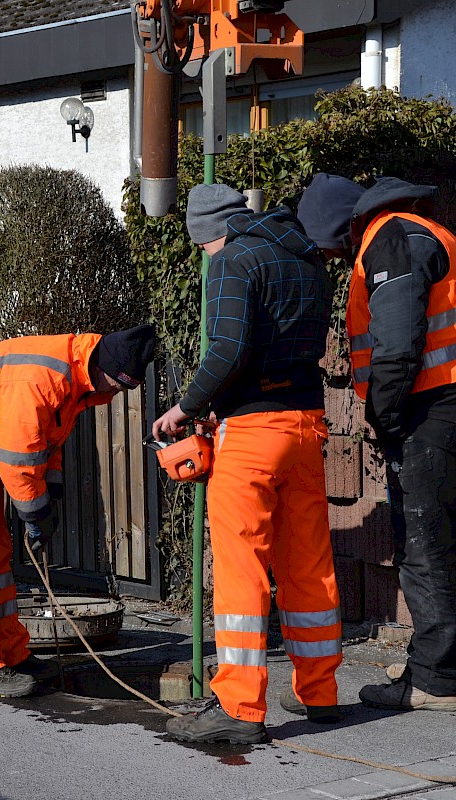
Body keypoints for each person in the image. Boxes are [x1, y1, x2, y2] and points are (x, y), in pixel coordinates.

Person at [297, 173, 456, 712]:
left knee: (424, 544)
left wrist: (384, 418)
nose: (331, 258)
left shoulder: (389, 241)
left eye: (326, 246)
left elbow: (395, 345)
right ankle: (435, 664)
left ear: (342, 228)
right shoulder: (413, 230)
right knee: (448, 539)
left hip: (435, 409)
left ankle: (435, 682)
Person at [152, 184, 342, 744]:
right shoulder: (307, 256)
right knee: (309, 563)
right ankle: (320, 692)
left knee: (243, 572)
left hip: (254, 434)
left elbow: (228, 349)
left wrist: (185, 408)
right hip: (306, 427)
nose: (206, 258)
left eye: (202, 248)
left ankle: (239, 706)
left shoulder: (232, 257)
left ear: (209, 232)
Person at [0, 324, 157, 698]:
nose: (114, 395)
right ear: (102, 367)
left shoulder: (77, 377)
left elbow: (46, 440)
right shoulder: (44, 376)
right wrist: (36, 512)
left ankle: (11, 653)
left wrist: (52, 490)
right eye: (118, 385)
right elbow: (18, 455)